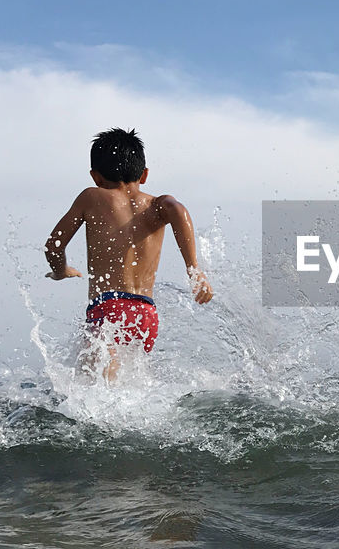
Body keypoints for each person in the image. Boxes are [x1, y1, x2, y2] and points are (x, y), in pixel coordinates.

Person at [45, 128, 214, 381]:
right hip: (146, 314)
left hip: (108, 308)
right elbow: (177, 209)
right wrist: (194, 268)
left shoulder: (92, 197)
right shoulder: (157, 205)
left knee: (94, 388)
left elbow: (54, 245)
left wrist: (61, 271)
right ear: (144, 174)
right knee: (132, 385)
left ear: (96, 177)